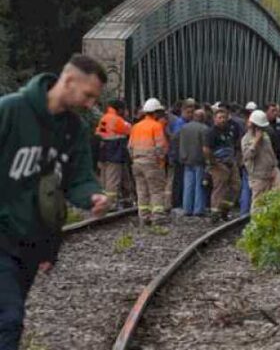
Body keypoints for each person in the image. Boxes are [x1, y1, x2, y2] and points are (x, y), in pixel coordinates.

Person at [0, 55, 111, 349]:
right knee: (8, 320)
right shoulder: (11, 110)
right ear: (69, 80)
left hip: (30, 243)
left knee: (10, 318)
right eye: (88, 95)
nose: (90, 104)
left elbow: (78, 178)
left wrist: (93, 196)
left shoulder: (74, 130)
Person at [128, 98, 169, 225]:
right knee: (156, 190)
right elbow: (161, 146)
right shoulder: (156, 126)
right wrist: (160, 160)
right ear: (155, 113)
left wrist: (134, 158)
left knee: (141, 190)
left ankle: (144, 217)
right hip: (152, 163)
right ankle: (157, 217)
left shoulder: (136, 126)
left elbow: (129, 146)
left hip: (137, 162)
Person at [203, 107, 242, 222]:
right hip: (219, 164)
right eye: (220, 118)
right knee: (219, 188)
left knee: (235, 186)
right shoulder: (211, 132)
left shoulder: (229, 130)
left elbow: (235, 145)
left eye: (224, 117)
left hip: (231, 163)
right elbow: (206, 149)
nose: (223, 120)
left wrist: (236, 159)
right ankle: (215, 214)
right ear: (215, 119)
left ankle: (225, 210)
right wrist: (213, 162)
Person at [242, 110, 280, 209]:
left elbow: (271, 152)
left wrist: (275, 163)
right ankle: (256, 223)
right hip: (258, 175)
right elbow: (247, 156)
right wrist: (256, 142)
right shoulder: (246, 139)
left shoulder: (266, 136)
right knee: (258, 203)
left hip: (272, 171)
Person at [95, 99, 132, 207]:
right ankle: (111, 204)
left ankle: (125, 200)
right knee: (113, 180)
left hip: (104, 153)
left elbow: (100, 134)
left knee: (106, 179)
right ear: (120, 109)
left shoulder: (104, 118)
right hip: (115, 153)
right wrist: (126, 118)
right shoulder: (117, 119)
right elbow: (130, 129)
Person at [177, 109, 210, 217]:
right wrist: (208, 160)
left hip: (186, 160)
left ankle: (187, 208)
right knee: (200, 185)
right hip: (199, 160)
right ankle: (198, 209)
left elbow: (180, 143)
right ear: (202, 117)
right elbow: (205, 147)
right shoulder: (204, 129)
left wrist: (182, 157)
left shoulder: (184, 127)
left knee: (188, 185)